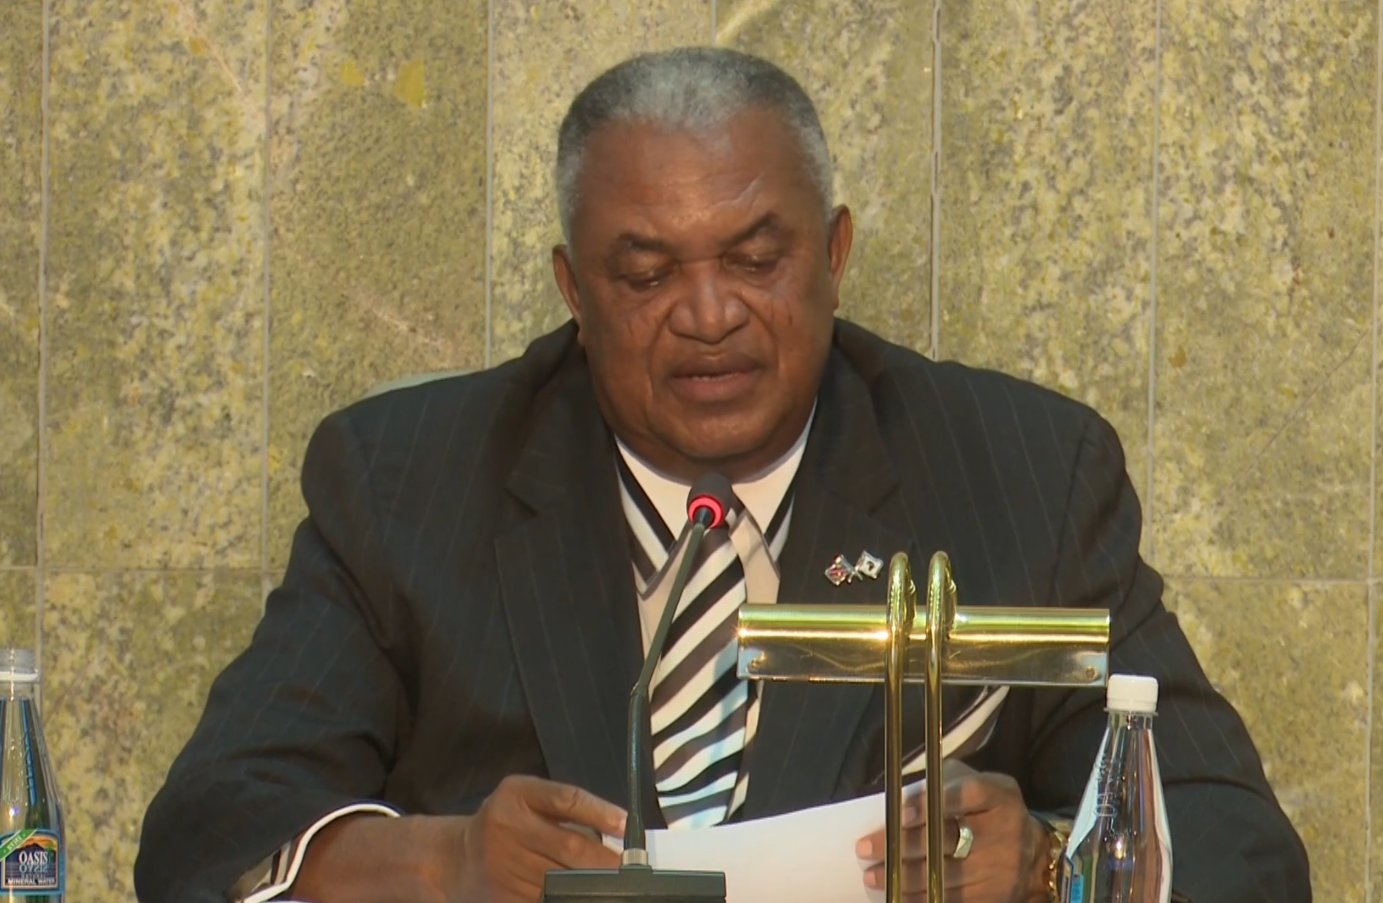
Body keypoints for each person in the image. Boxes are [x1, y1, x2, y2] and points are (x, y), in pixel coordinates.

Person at [136, 47, 1310, 903]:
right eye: (645, 275)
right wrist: (441, 864)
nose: (707, 316)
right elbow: (207, 833)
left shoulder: (1022, 473)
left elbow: (1240, 850)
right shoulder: (405, 482)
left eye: (755, 260)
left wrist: (1053, 864)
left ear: (834, 254)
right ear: (572, 288)